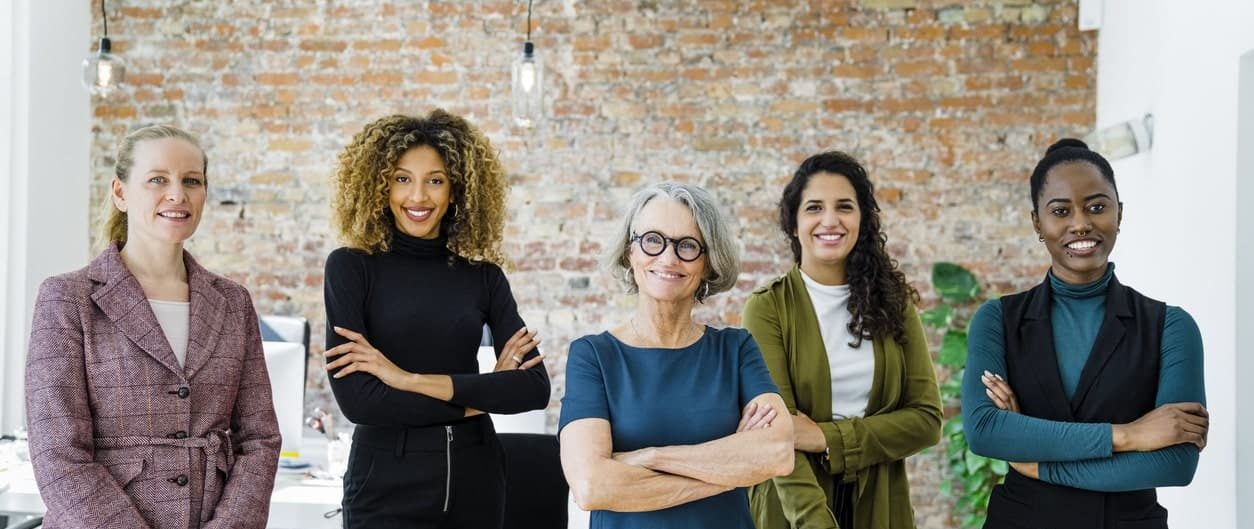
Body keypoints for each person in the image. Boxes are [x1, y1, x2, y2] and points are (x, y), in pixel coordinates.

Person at [25, 124, 281, 529]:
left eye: (191, 181)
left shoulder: (233, 302)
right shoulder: (66, 298)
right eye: (158, 179)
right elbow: (58, 452)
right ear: (121, 193)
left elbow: (260, 439)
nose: (177, 194)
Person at [963, 138, 1208, 529]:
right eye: (1061, 211)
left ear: (1119, 214)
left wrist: (1036, 461)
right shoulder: (998, 320)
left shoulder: (1171, 327)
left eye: (1096, 206)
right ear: (1037, 223)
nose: (1080, 223)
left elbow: (1176, 463)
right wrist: (1128, 435)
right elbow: (986, 430)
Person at [323, 110, 550, 528]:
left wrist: (404, 379)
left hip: (475, 480)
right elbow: (360, 401)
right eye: (402, 178)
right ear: (380, 184)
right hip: (384, 484)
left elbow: (533, 390)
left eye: (436, 180)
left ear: (456, 189)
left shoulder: (483, 277)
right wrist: (481, 397)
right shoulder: (351, 268)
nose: (418, 197)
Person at [558, 182, 794, 529]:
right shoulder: (593, 356)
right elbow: (592, 486)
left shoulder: (736, 349)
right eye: (652, 240)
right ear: (630, 251)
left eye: (688, 246)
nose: (668, 259)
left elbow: (777, 453)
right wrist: (732, 470)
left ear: (708, 263)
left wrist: (653, 456)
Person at [743, 151, 942, 529]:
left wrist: (824, 437)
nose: (830, 220)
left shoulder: (893, 303)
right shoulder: (768, 308)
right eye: (814, 207)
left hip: (881, 506)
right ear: (795, 222)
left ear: (862, 219)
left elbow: (926, 420)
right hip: (791, 510)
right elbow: (775, 436)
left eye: (844, 207)